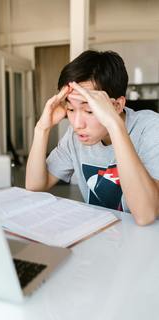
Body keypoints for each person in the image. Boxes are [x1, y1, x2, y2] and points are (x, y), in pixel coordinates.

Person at [26, 50, 159, 225]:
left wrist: (114, 125)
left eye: (89, 110)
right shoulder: (75, 136)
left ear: (117, 105)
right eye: (71, 109)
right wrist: (41, 129)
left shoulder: (150, 128)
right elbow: (35, 186)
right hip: (102, 237)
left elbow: (145, 216)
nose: (77, 124)